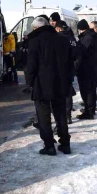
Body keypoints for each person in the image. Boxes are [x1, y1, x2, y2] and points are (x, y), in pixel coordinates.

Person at [26, 17, 71, 155]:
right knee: (61, 115)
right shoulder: (62, 40)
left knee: (43, 116)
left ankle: (49, 146)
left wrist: (30, 83)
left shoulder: (34, 42)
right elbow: (70, 62)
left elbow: (30, 66)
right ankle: (65, 144)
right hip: (60, 83)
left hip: (41, 84)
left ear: (36, 28)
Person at [56, 20, 79, 124]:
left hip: (61, 69)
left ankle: (63, 117)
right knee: (68, 93)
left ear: (58, 28)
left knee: (61, 94)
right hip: (70, 69)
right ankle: (68, 116)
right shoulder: (72, 38)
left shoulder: (59, 38)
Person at [76, 19, 97, 120]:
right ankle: (90, 109)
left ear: (81, 29)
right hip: (92, 67)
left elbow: (81, 54)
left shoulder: (87, 38)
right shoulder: (92, 36)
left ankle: (89, 112)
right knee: (91, 91)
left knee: (87, 92)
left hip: (86, 69)